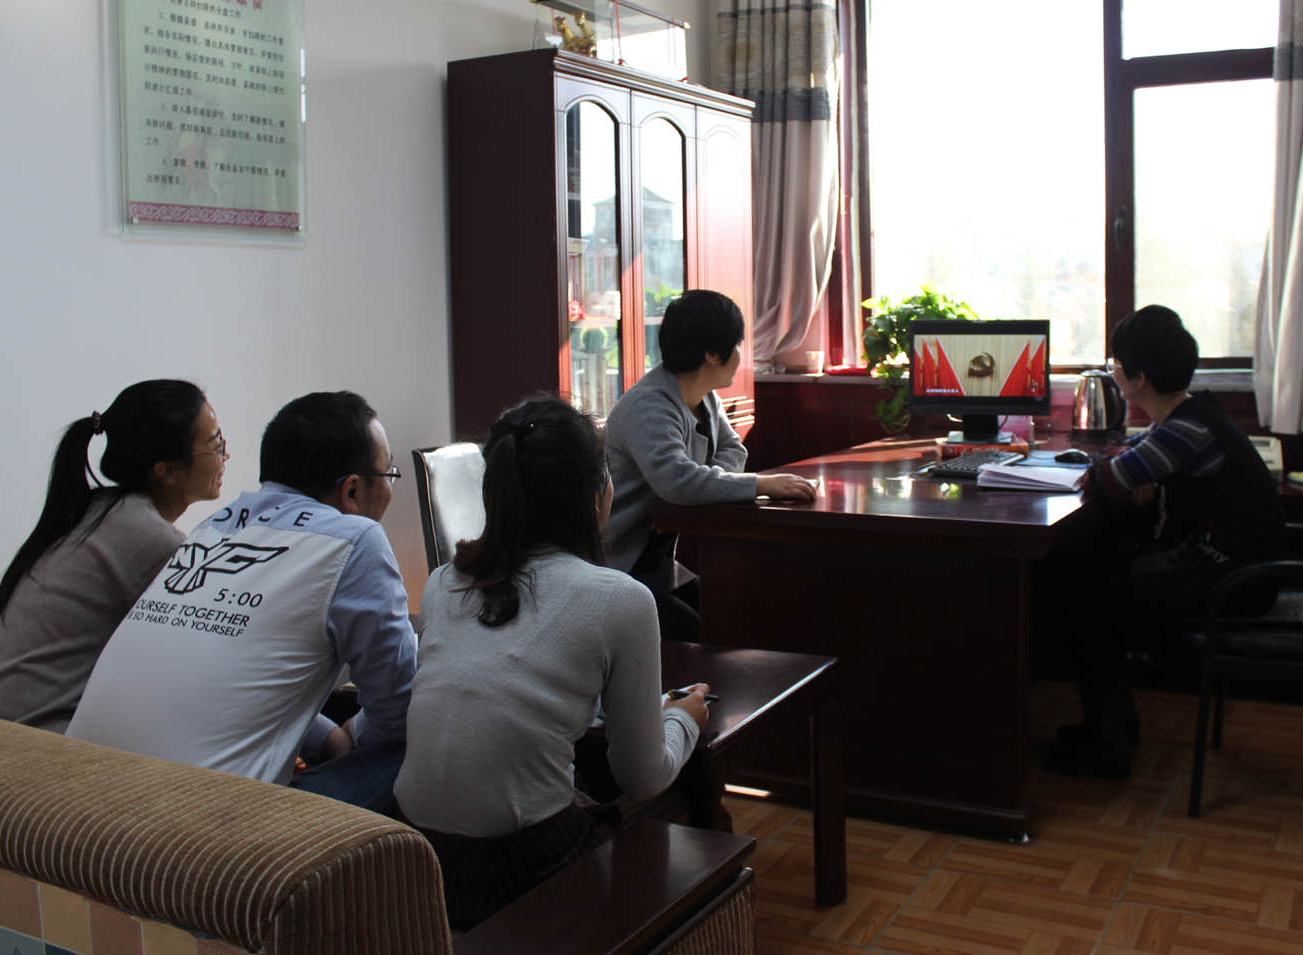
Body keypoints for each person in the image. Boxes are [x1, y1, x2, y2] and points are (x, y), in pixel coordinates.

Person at [394, 395, 709, 929]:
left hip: (418, 853)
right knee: (689, 794)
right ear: (597, 493)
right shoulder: (620, 599)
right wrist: (683, 718)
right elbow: (642, 776)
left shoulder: (445, 582)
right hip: (520, 858)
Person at [67, 391, 417, 812]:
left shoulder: (211, 529)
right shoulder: (357, 540)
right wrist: (353, 734)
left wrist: (328, 737)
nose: (391, 488)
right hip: (194, 825)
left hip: (75, 803)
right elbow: (400, 713)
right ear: (353, 491)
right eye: (389, 474)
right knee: (430, 747)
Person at [1041, 305, 1286, 779]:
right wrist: (1122, 468)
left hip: (1235, 578)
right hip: (1233, 565)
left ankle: (1108, 745)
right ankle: (1114, 729)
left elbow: (1107, 478)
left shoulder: (1186, 431)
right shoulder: (1191, 415)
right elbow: (1125, 457)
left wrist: (1117, 471)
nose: (1113, 372)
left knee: (1089, 598)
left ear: (1139, 378)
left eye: (1116, 364)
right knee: (1094, 576)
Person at [0, 380, 227, 731]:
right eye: (215, 444)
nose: (226, 455)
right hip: (25, 739)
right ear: (168, 470)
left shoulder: (94, 510)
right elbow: (206, 664)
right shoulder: (152, 541)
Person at [604, 289, 816, 640]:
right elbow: (677, 482)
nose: (740, 355)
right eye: (737, 345)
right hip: (621, 570)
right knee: (709, 634)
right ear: (712, 354)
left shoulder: (706, 398)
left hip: (658, 567)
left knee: (738, 616)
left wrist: (701, 482)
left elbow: (734, 450)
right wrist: (761, 484)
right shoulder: (648, 406)